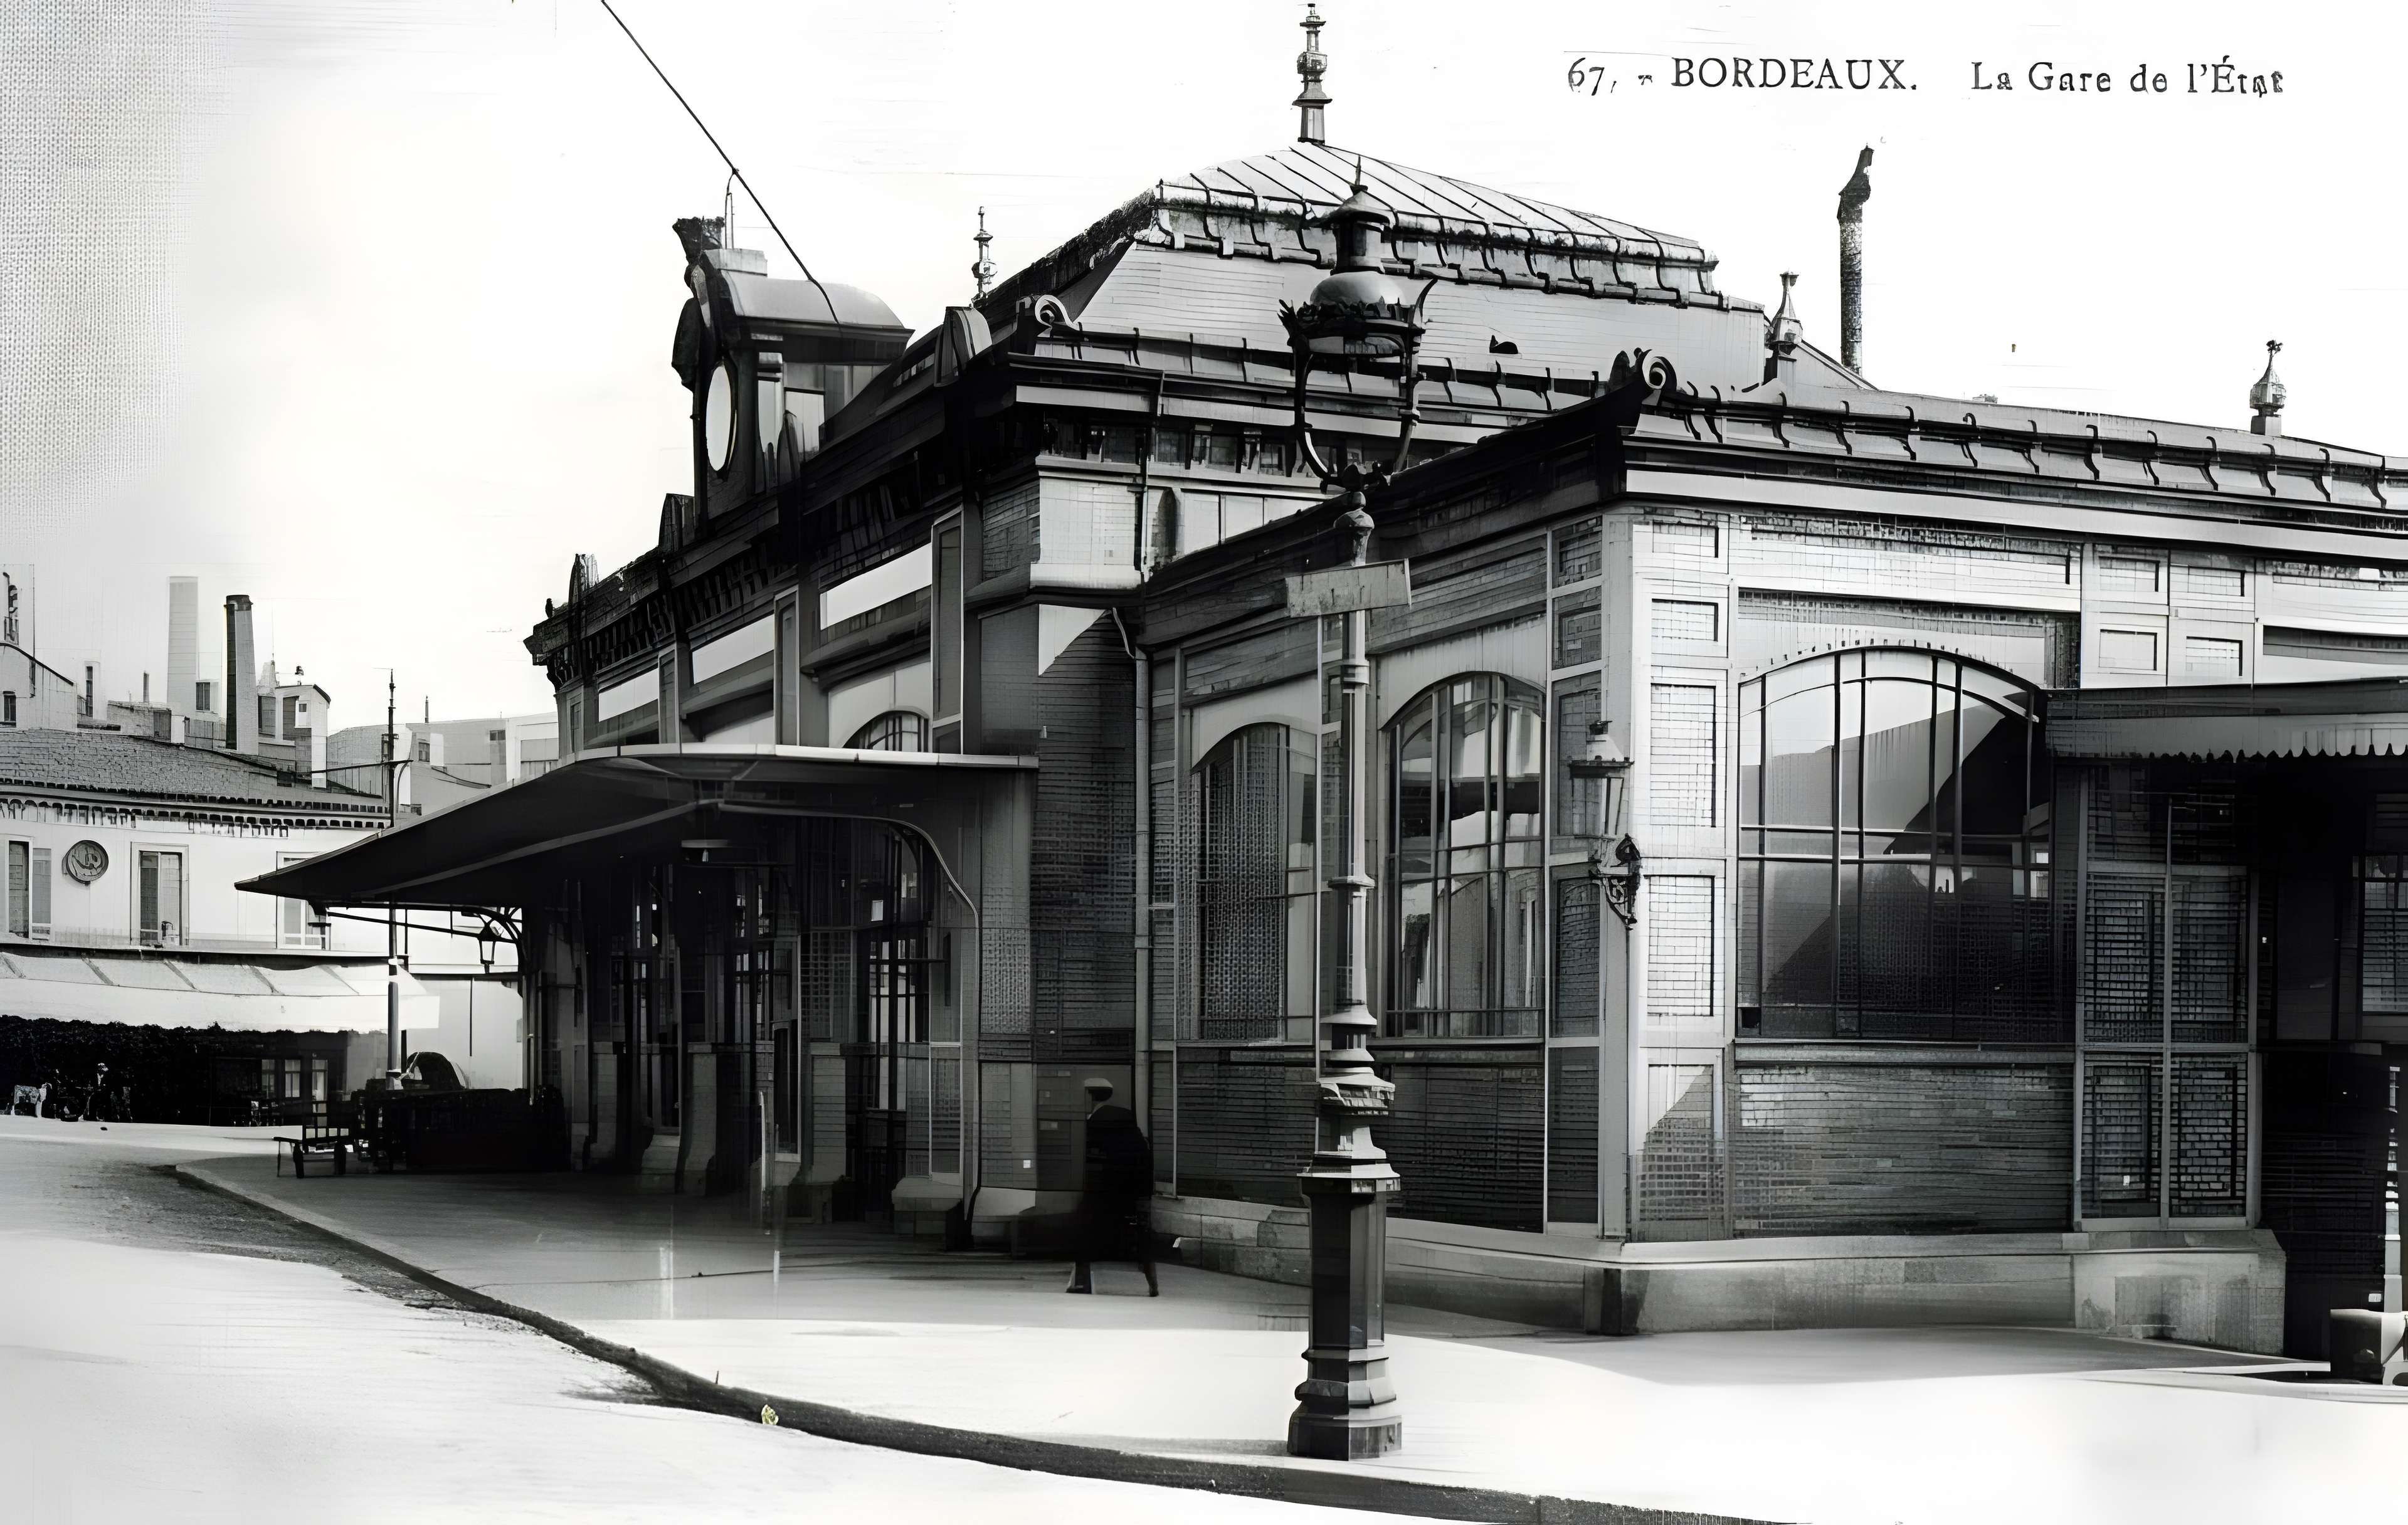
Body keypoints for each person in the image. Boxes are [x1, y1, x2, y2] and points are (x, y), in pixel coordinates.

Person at [1065, 1077, 1158, 1296]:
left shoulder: (1097, 1123)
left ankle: (1081, 1282)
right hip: (1129, 1191)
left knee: (1082, 1233)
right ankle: (1151, 1281)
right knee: (1137, 1238)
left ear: (1090, 1096)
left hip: (1103, 1190)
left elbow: (1089, 1158)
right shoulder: (1124, 1119)